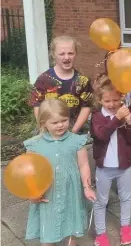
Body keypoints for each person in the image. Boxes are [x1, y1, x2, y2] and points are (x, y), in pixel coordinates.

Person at [23, 99, 96, 245]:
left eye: (64, 120)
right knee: (47, 224)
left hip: (71, 189)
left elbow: (83, 164)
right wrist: (32, 191)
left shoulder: (76, 141)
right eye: (55, 122)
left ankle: (71, 242)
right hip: (47, 191)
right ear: (43, 123)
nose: (61, 125)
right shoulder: (34, 145)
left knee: (71, 220)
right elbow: (28, 170)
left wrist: (87, 187)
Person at [91, 76, 131, 246]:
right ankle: (101, 233)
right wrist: (117, 118)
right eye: (107, 101)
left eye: (115, 100)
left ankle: (125, 227)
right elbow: (102, 135)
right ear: (100, 100)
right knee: (101, 201)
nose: (112, 104)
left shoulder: (126, 114)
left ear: (121, 98)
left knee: (125, 197)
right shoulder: (98, 117)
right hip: (104, 168)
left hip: (124, 166)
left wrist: (128, 122)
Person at [28, 36, 93, 134]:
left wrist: (74, 131)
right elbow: (37, 106)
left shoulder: (82, 81)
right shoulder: (44, 79)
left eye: (70, 53)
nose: (66, 57)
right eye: (61, 54)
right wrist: (45, 128)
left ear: (76, 54)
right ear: (53, 55)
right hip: (49, 132)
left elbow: (86, 106)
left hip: (74, 132)